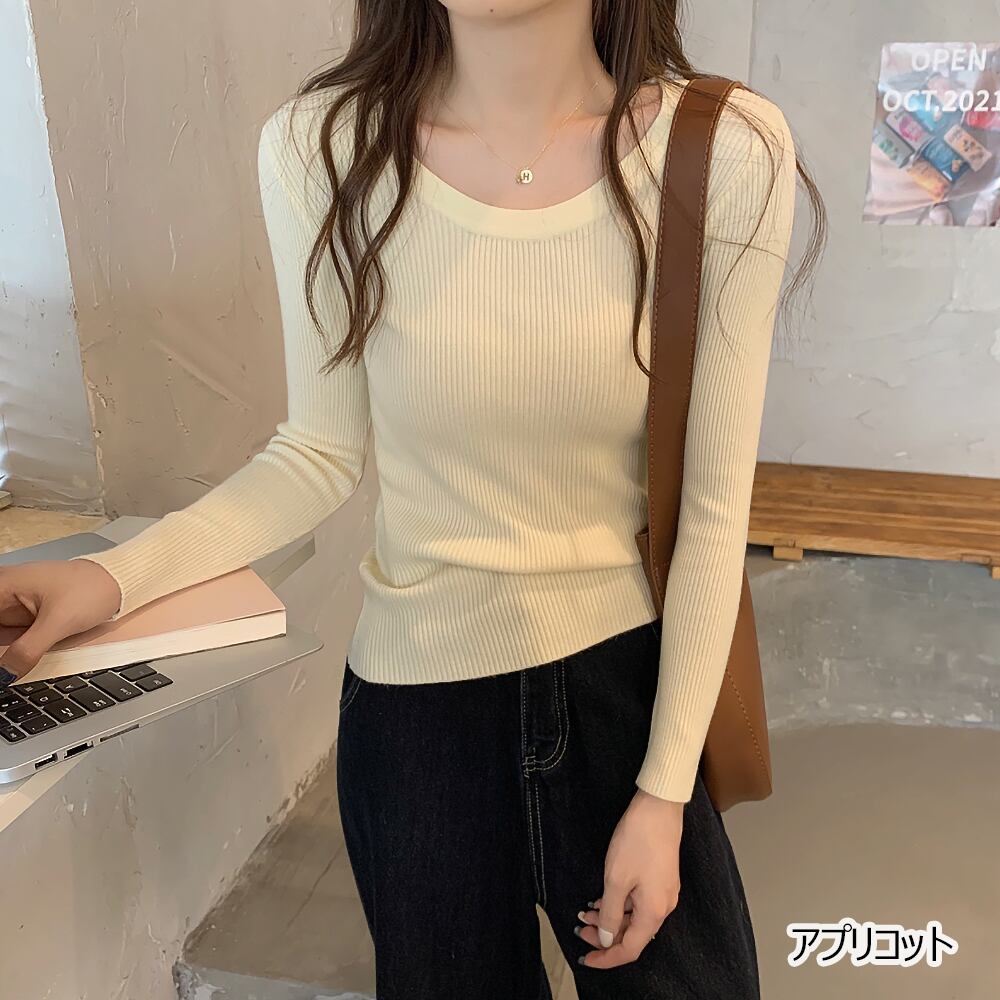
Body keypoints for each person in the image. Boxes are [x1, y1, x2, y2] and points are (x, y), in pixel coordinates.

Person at [0, 1, 825, 996]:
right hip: (418, 717)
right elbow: (316, 452)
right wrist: (112, 577)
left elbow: (712, 511)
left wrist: (661, 794)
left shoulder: (723, 150)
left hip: (627, 692)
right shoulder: (325, 148)